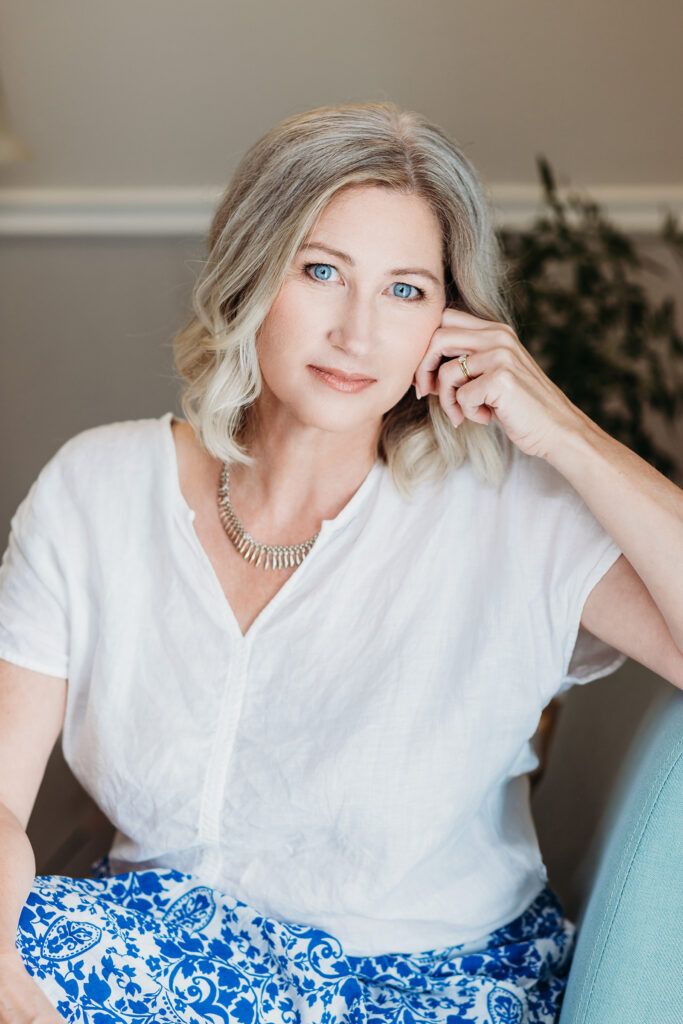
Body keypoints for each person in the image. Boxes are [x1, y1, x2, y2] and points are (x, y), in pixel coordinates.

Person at [0, 101, 681, 1024]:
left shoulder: (517, 513)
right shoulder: (95, 491)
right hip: (173, 947)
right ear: (250, 272)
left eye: (406, 290)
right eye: (322, 271)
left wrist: (564, 431)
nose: (358, 333)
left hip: (430, 982)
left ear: (449, 319)